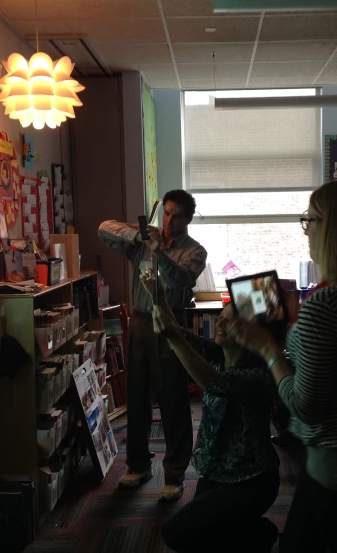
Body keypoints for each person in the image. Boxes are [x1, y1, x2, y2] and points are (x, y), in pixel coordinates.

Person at [225, 179, 337, 552]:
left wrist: (267, 349)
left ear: (333, 229)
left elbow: (306, 405)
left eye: (310, 219)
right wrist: (295, 330)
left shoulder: (326, 305)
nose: (306, 229)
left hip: (336, 467)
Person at [140, 271, 281, 553]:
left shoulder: (259, 376)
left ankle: (259, 535)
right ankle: (253, 532)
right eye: (223, 316)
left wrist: (173, 337)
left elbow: (215, 383)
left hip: (251, 482)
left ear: (249, 332)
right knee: (204, 535)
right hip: (216, 474)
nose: (221, 322)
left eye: (232, 320)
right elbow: (176, 331)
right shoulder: (218, 355)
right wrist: (157, 294)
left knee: (176, 534)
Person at [98, 190, 207, 501]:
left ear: (188, 218)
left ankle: (173, 474)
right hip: (140, 322)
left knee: (172, 400)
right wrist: (139, 236)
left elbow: (180, 281)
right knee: (137, 398)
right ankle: (138, 464)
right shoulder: (145, 242)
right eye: (166, 213)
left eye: (176, 215)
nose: (169, 220)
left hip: (170, 326)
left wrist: (159, 252)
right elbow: (104, 229)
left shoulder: (195, 251)